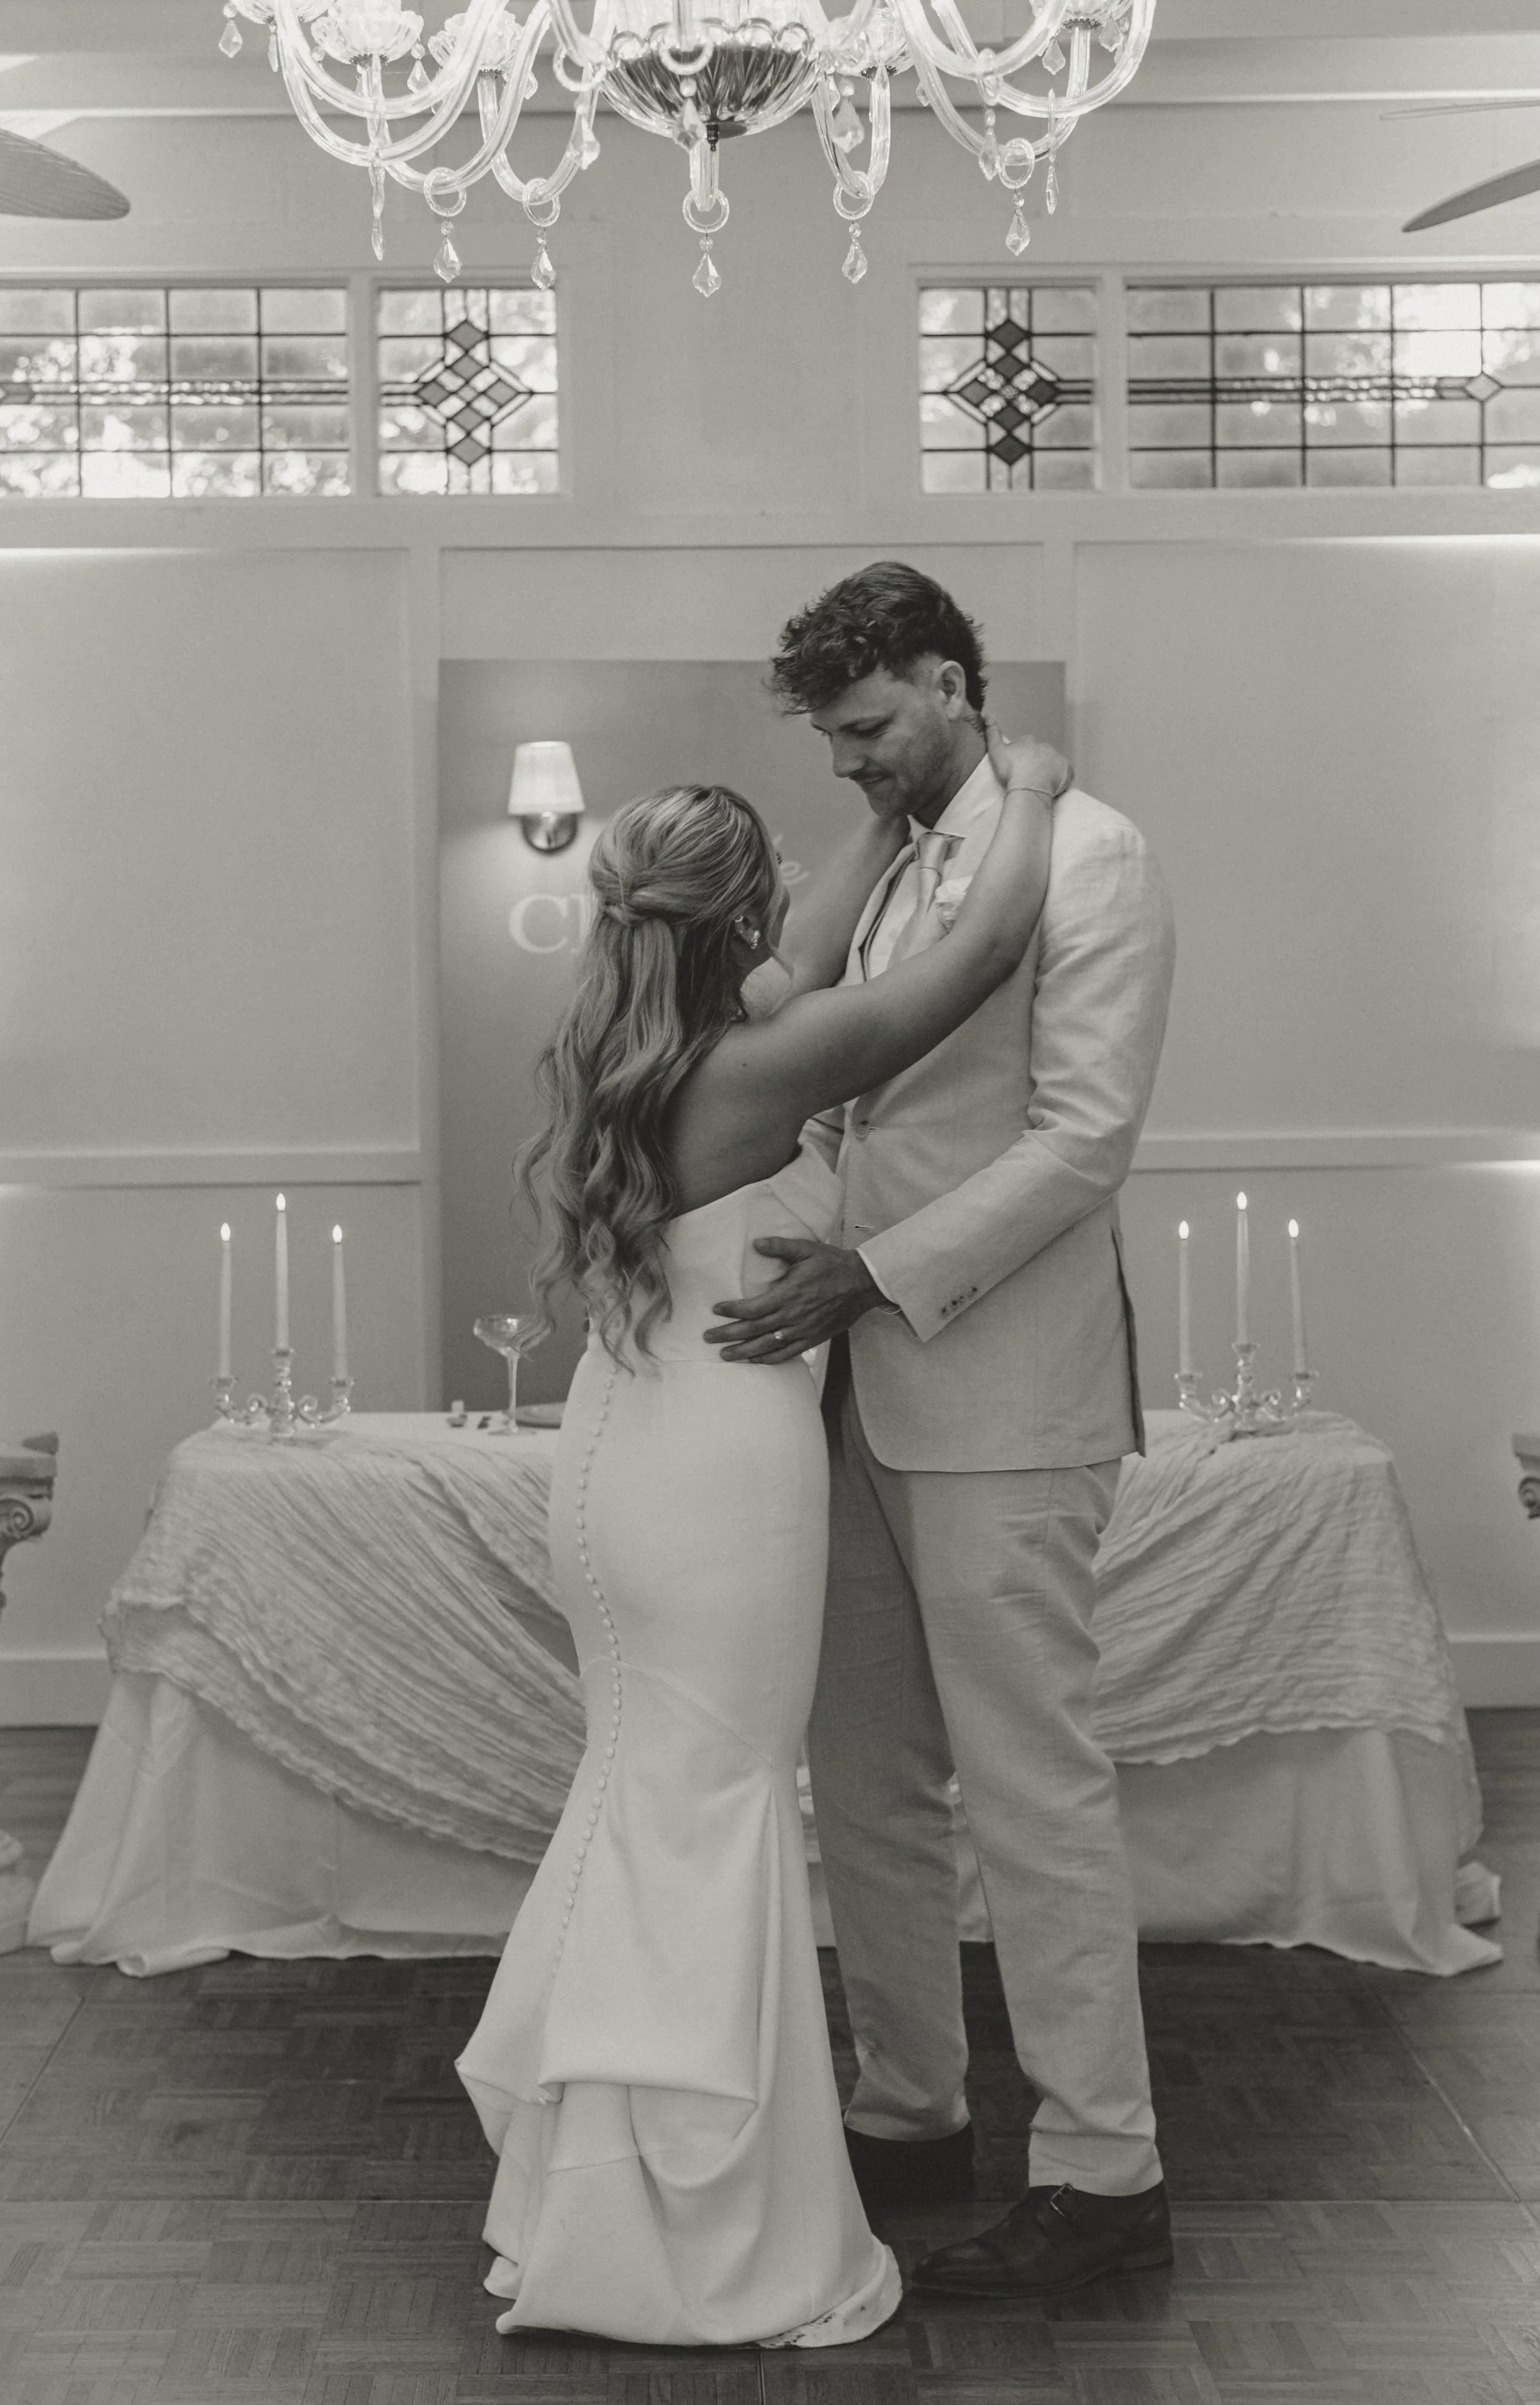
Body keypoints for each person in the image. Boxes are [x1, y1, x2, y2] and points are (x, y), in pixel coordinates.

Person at [455, 725, 1067, 2347]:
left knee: (644, 1798)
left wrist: (873, 818)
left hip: (617, 1464)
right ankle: (702, 2232)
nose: (804, 891)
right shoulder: (759, 1070)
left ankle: (596, 2195)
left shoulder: (646, 1048)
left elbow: (798, 953)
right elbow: (987, 947)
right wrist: (1043, 792)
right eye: (778, 882)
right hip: (720, 1484)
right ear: (736, 916)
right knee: (711, 1811)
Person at [706, 561, 1176, 2298]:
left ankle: (1104, 2165)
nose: (856, 766)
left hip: (999, 1394)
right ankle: (910, 2109)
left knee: (1035, 1787)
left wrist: (870, 1275)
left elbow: (1081, 1141)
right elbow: (837, 1085)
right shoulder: (897, 867)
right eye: (835, 744)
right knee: (870, 1782)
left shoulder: (1096, 853)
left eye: (874, 729)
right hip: (841, 1397)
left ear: (947, 679)